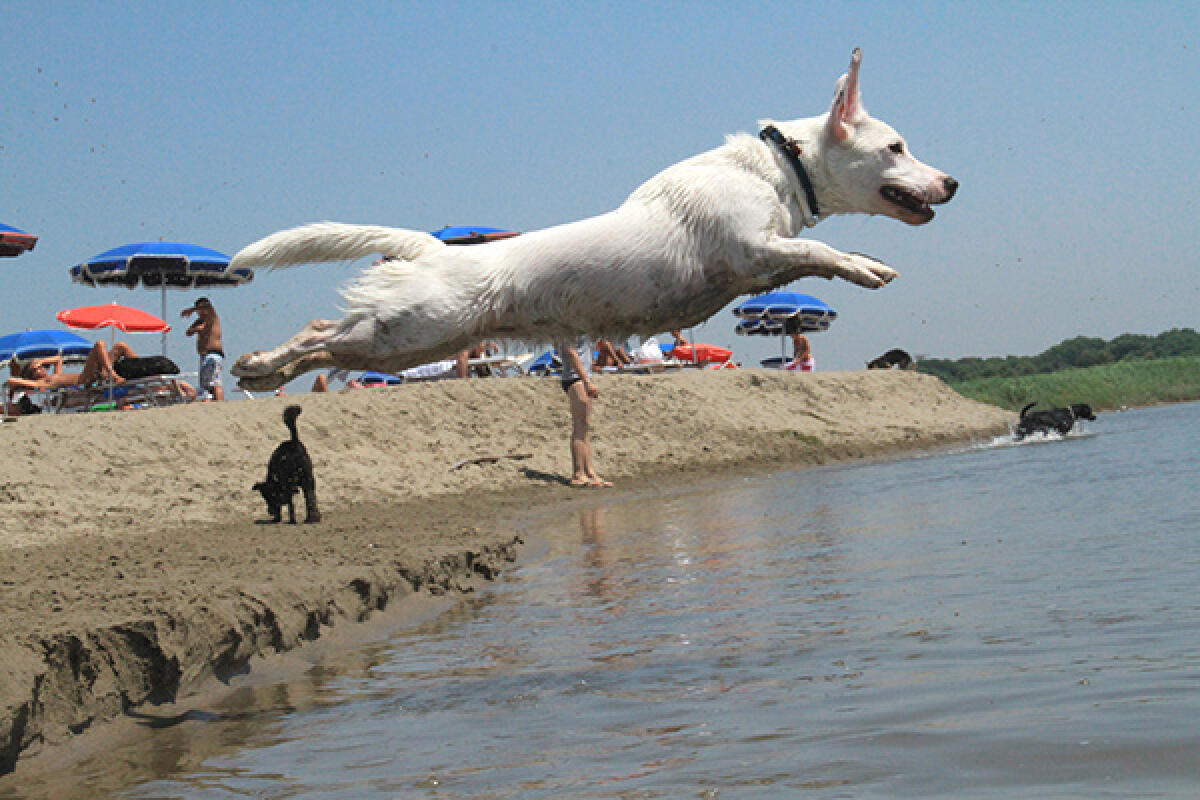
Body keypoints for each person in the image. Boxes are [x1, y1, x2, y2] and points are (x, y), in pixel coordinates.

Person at [557, 339, 612, 488]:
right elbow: (571, 352)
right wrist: (586, 380)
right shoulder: (567, 329)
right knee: (580, 426)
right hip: (575, 378)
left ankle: (590, 472)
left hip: (582, 377)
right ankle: (578, 474)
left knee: (585, 426)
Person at [182, 297, 224, 401]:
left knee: (215, 383)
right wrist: (196, 329)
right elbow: (188, 333)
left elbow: (209, 309)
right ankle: (211, 401)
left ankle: (220, 403)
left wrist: (191, 309)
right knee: (206, 384)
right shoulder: (200, 321)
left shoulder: (212, 318)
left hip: (213, 354)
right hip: (204, 355)